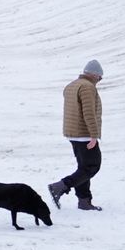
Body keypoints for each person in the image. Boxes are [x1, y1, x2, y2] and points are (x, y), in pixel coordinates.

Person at [47, 60, 105, 212]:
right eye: (100, 78)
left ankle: (84, 201)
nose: (99, 81)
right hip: (84, 134)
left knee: (83, 168)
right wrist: (94, 135)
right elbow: (88, 113)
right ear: (94, 75)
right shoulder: (87, 87)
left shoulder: (72, 85)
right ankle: (59, 187)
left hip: (73, 133)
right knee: (92, 167)